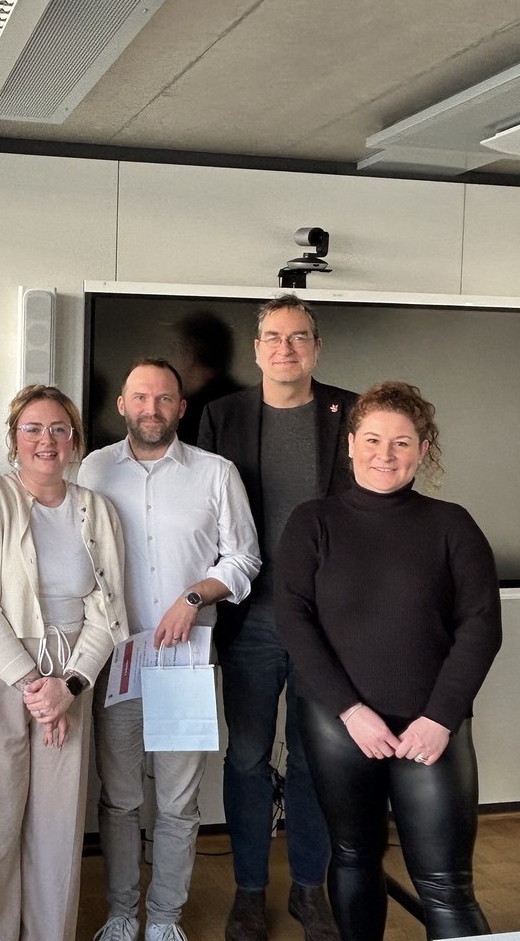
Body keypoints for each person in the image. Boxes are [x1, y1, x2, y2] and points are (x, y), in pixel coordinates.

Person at [274, 381, 502, 941]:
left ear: (423, 450)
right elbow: (294, 621)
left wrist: (440, 719)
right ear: (350, 444)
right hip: (338, 723)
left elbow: (482, 627)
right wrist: (351, 711)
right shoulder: (313, 521)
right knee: (354, 857)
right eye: (373, 439)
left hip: (432, 726)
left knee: (446, 885)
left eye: (402, 443)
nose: (385, 454)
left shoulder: (453, 525)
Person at [79, 358, 261, 941]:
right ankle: (121, 912)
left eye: (163, 399)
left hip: (185, 662)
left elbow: (243, 559)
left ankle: (163, 918)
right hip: (116, 661)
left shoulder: (216, 473)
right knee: (122, 798)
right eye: (140, 397)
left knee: (180, 802)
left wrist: (194, 594)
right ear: (122, 405)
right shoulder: (91, 470)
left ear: (182, 409)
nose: (151, 409)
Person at [0, 384, 130, 941]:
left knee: (57, 833)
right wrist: (32, 685)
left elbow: (108, 608)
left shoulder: (97, 509)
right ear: (14, 438)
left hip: (71, 682)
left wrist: (68, 686)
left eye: (58, 429)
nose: (46, 440)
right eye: (33, 429)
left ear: (74, 441)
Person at [197, 293, 353, 941]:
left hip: (327, 623)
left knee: (319, 760)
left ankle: (310, 889)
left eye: (298, 337)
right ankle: (250, 891)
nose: (285, 348)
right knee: (247, 758)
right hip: (250, 620)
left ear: (316, 347)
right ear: (256, 348)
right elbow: (205, 521)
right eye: (273, 337)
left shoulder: (352, 412)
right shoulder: (221, 416)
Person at [171, 310, 241, 444]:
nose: (171, 360)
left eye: (175, 349)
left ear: (189, 353)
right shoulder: (246, 399)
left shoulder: (187, 414)